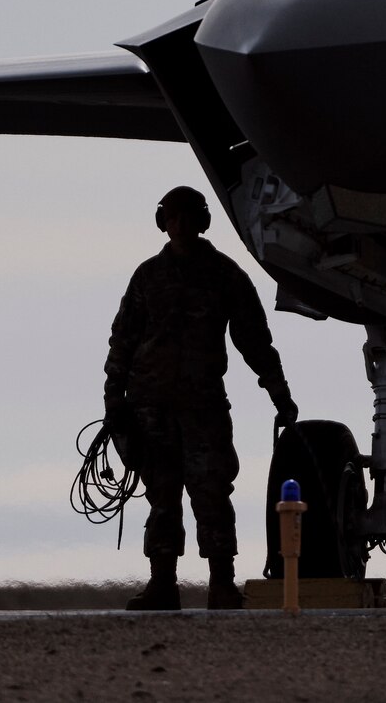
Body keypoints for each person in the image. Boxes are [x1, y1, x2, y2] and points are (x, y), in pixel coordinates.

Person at [104, 185, 299, 610]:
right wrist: (113, 401)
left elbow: (255, 340)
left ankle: (222, 584)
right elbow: (123, 340)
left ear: (202, 221)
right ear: (163, 222)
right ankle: (162, 583)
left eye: (188, 216)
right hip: (150, 406)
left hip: (203, 407)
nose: (180, 225)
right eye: (172, 217)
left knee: (211, 491)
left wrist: (279, 393)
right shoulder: (147, 277)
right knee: (161, 495)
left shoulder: (225, 275)